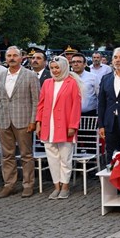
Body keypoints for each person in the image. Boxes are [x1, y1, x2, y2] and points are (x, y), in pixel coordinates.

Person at [0, 46, 40, 198]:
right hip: (4, 120)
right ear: (5, 58)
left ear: (21, 58)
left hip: (23, 120)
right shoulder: (0, 76)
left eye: (15, 56)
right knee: (7, 155)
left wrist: (33, 120)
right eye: (9, 55)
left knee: (26, 155)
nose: (11, 58)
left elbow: (36, 101)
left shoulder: (30, 75)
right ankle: (9, 184)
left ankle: (28, 184)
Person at [36, 56, 83, 200]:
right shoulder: (47, 83)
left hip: (65, 126)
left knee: (65, 158)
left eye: (57, 68)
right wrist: (38, 122)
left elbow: (76, 106)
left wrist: (73, 125)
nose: (55, 71)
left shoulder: (72, 83)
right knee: (52, 158)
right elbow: (41, 104)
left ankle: (65, 186)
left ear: (64, 67)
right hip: (47, 126)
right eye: (52, 68)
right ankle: (56, 185)